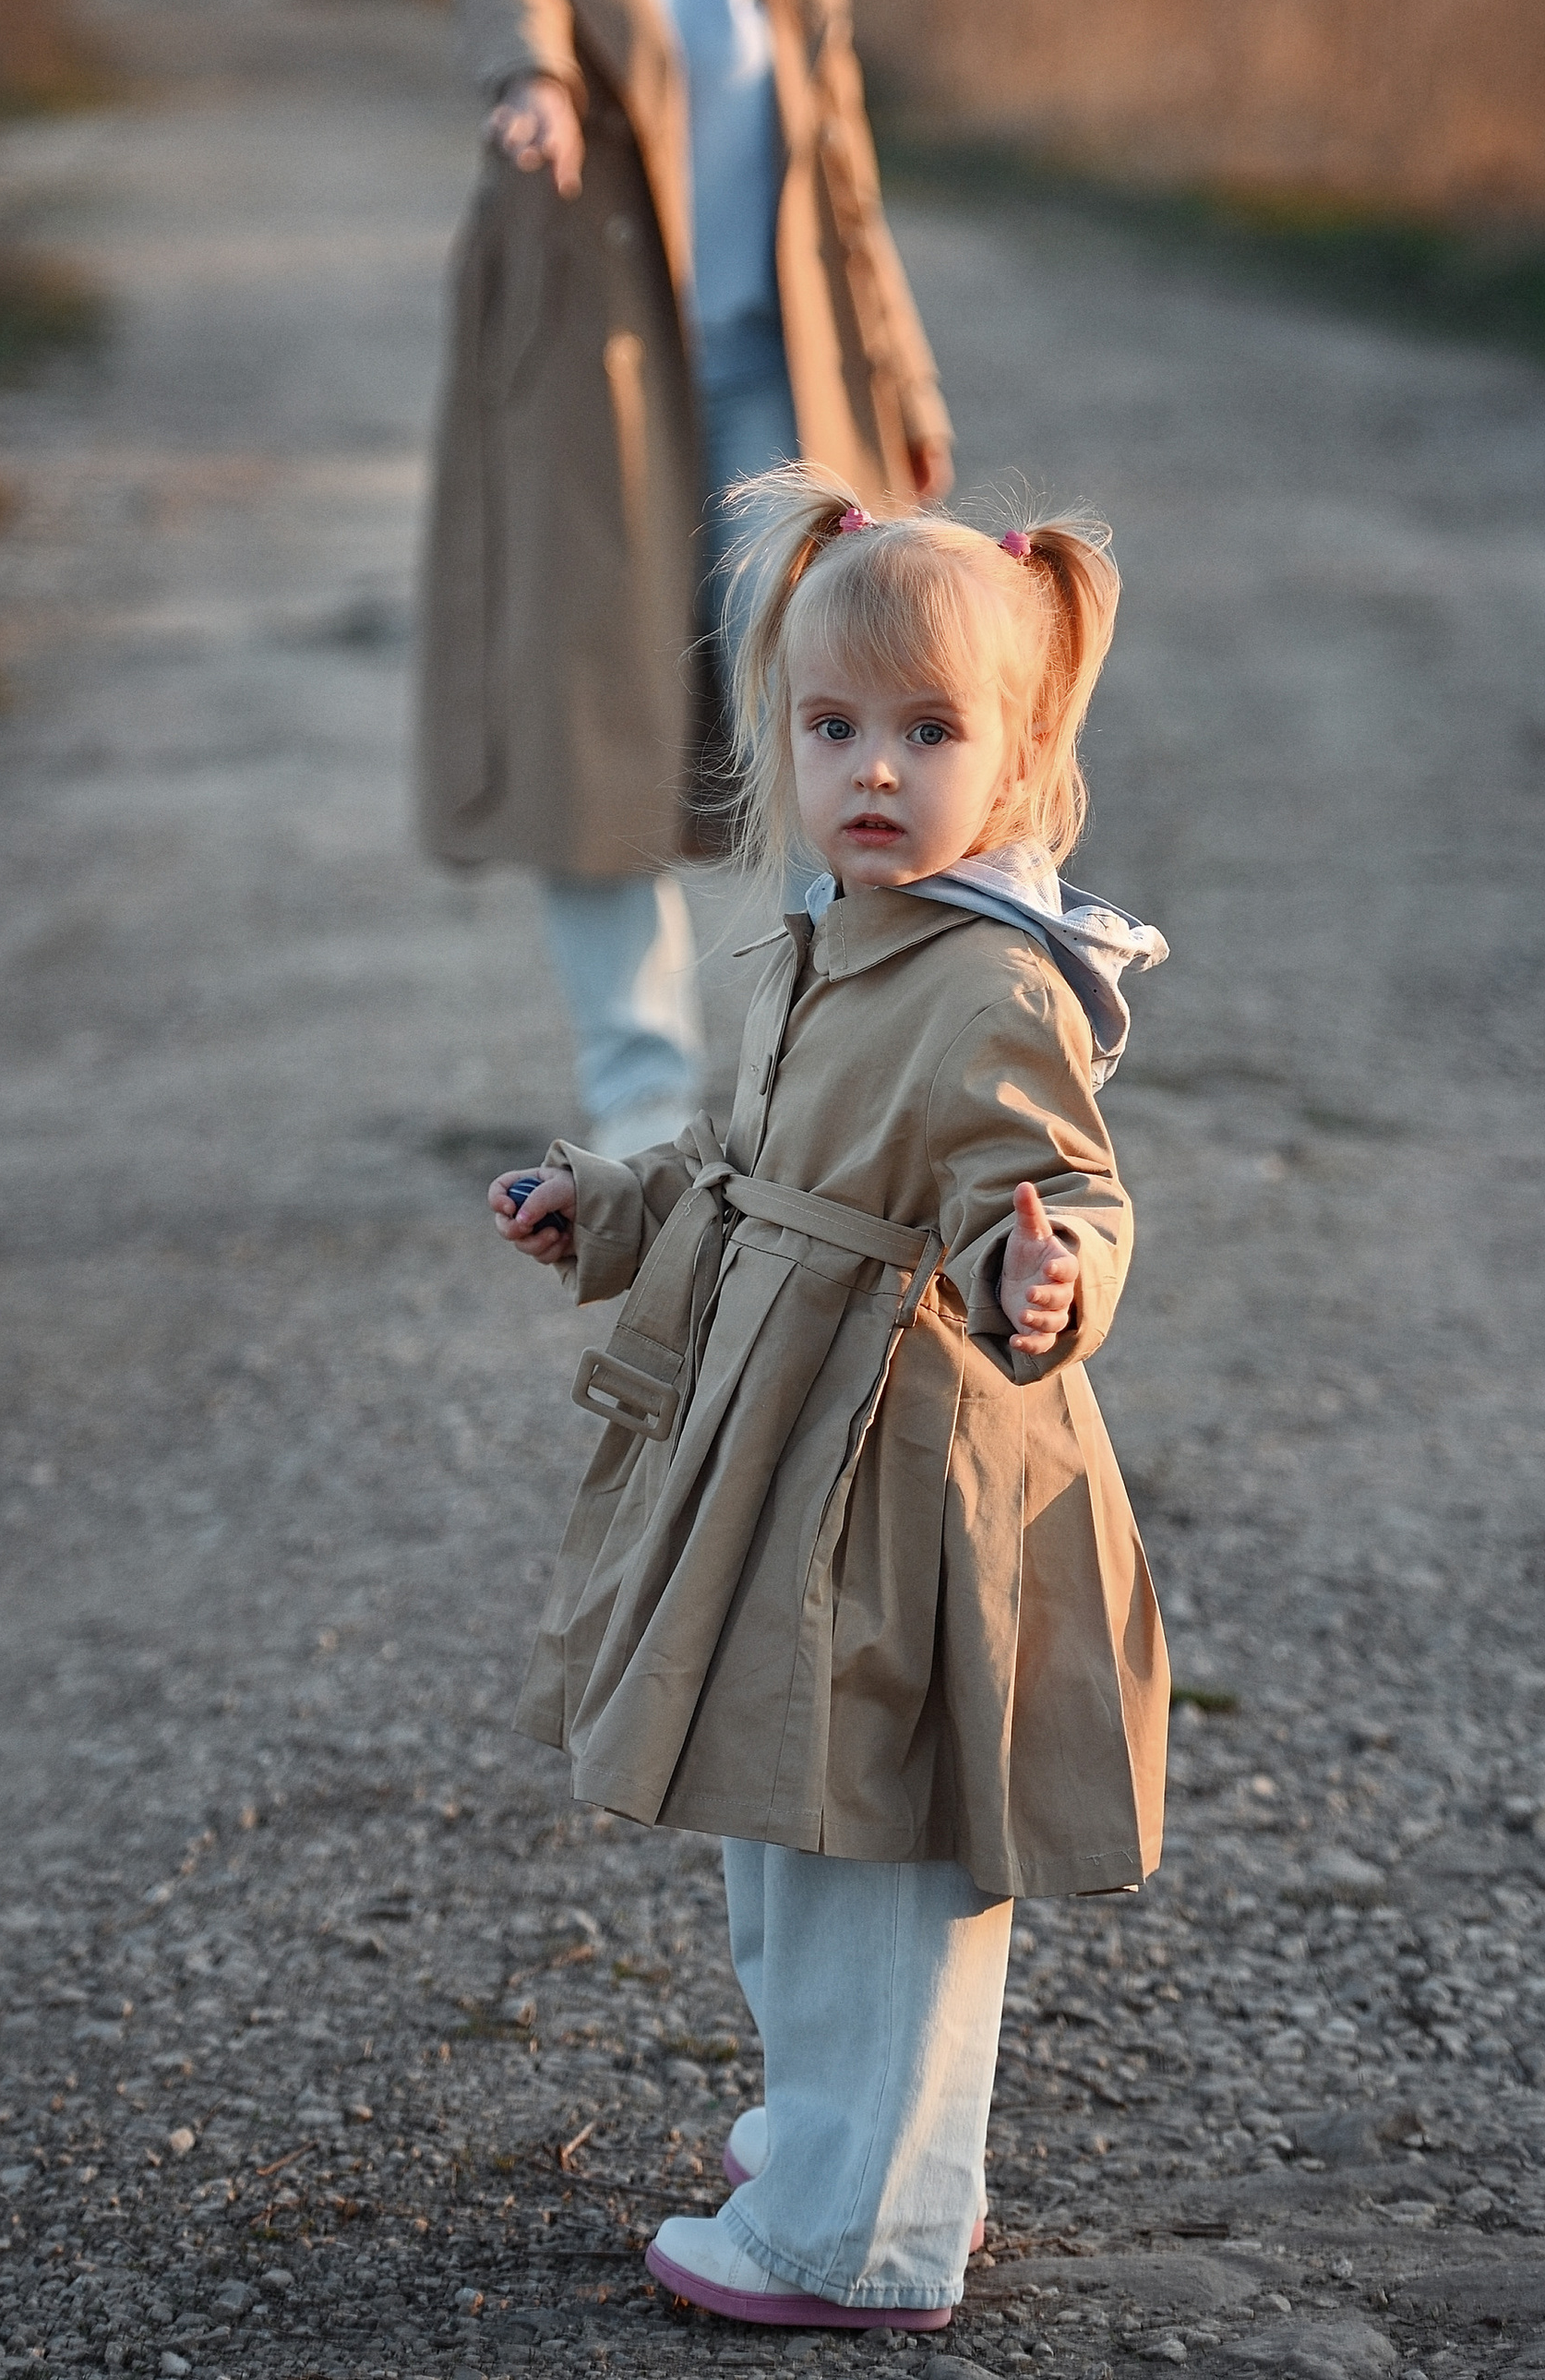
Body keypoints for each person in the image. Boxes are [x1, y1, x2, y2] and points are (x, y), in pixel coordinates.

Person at [488, 468, 1171, 2330]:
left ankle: (857, 2229)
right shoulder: (825, 930)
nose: (874, 768)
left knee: (877, 1831)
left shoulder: (988, 984)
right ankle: (833, 2133)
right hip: (785, 1447)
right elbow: (736, 1156)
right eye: (832, 727)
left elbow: (1066, 1195)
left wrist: (1044, 1274)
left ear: (1019, 755)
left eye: (930, 732)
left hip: (907, 1459)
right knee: (781, 1810)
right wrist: (605, 1210)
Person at [417, 0, 952, 1152]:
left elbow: (846, 190)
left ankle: (825, 1077)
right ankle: (643, 1107)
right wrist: (527, 92)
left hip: (785, 395)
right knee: (601, 735)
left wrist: (906, 388)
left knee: (832, 723)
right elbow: (506, 28)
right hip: (600, 399)